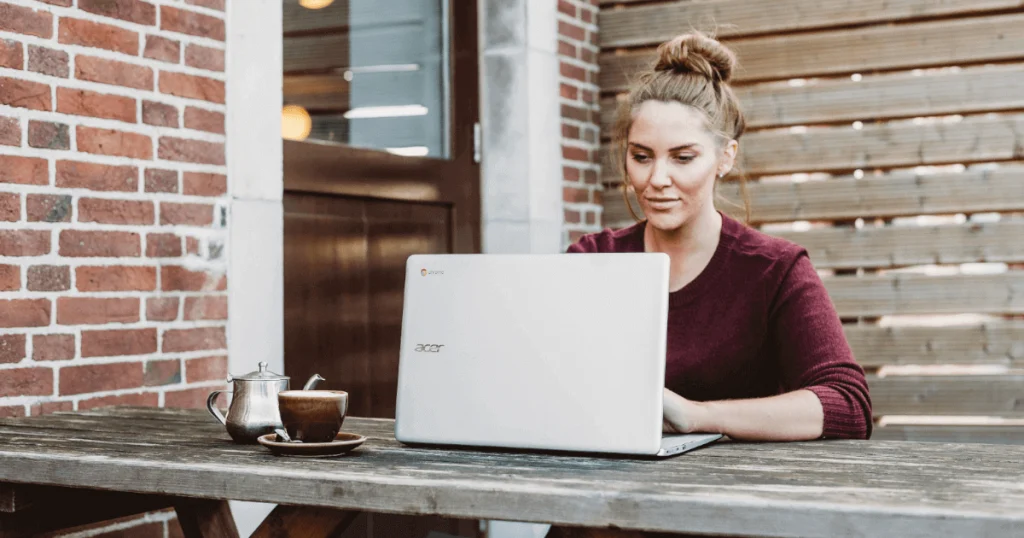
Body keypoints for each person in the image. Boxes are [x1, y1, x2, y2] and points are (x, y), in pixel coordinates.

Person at [546, 31, 872, 537]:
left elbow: (847, 404)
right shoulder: (593, 259)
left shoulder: (775, 269)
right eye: (641, 155)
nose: (656, 179)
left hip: (723, 520)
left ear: (725, 157)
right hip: (602, 518)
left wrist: (697, 416)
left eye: (682, 157)